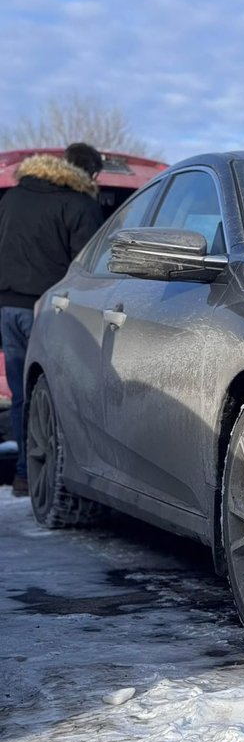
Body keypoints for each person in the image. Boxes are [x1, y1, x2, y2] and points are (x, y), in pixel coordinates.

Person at [0, 143, 104, 497]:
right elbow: (90, 271)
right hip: (52, 311)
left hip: (9, 310)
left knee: (23, 394)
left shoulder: (12, 198)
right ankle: (64, 478)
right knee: (60, 393)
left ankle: (25, 475)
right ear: (91, 173)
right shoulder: (80, 205)